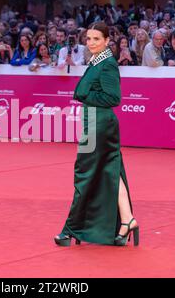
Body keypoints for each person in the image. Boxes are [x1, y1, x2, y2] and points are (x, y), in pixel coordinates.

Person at [54, 21, 138, 247]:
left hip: (99, 125)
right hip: (94, 122)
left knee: (85, 174)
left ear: (107, 41)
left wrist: (83, 96)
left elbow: (114, 98)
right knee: (109, 170)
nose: (90, 43)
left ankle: (69, 230)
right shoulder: (96, 61)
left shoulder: (107, 63)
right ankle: (127, 219)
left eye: (96, 39)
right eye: (88, 39)